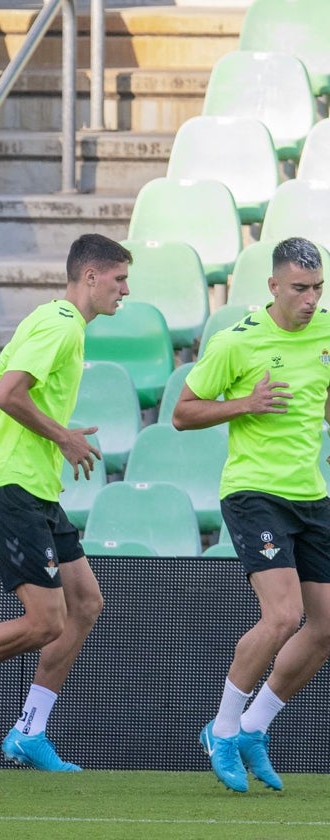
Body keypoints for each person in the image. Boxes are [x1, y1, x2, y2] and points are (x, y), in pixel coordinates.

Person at [0, 233, 131, 772]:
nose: (124, 290)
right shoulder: (60, 326)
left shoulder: (50, 319)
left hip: (35, 485)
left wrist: (29, 441)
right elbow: (8, 393)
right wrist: (59, 437)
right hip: (13, 489)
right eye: (119, 279)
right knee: (45, 622)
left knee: (86, 605)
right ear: (90, 276)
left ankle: (30, 730)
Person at [174, 236, 330, 794]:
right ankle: (220, 729)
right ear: (272, 286)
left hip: (311, 496)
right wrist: (246, 403)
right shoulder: (235, 343)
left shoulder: (327, 330)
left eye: (317, 288)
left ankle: (254, 727)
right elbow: (182, 413)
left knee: (326, 625)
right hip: (253, 493)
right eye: (299, 289)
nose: (311, 300)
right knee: (283, 616)